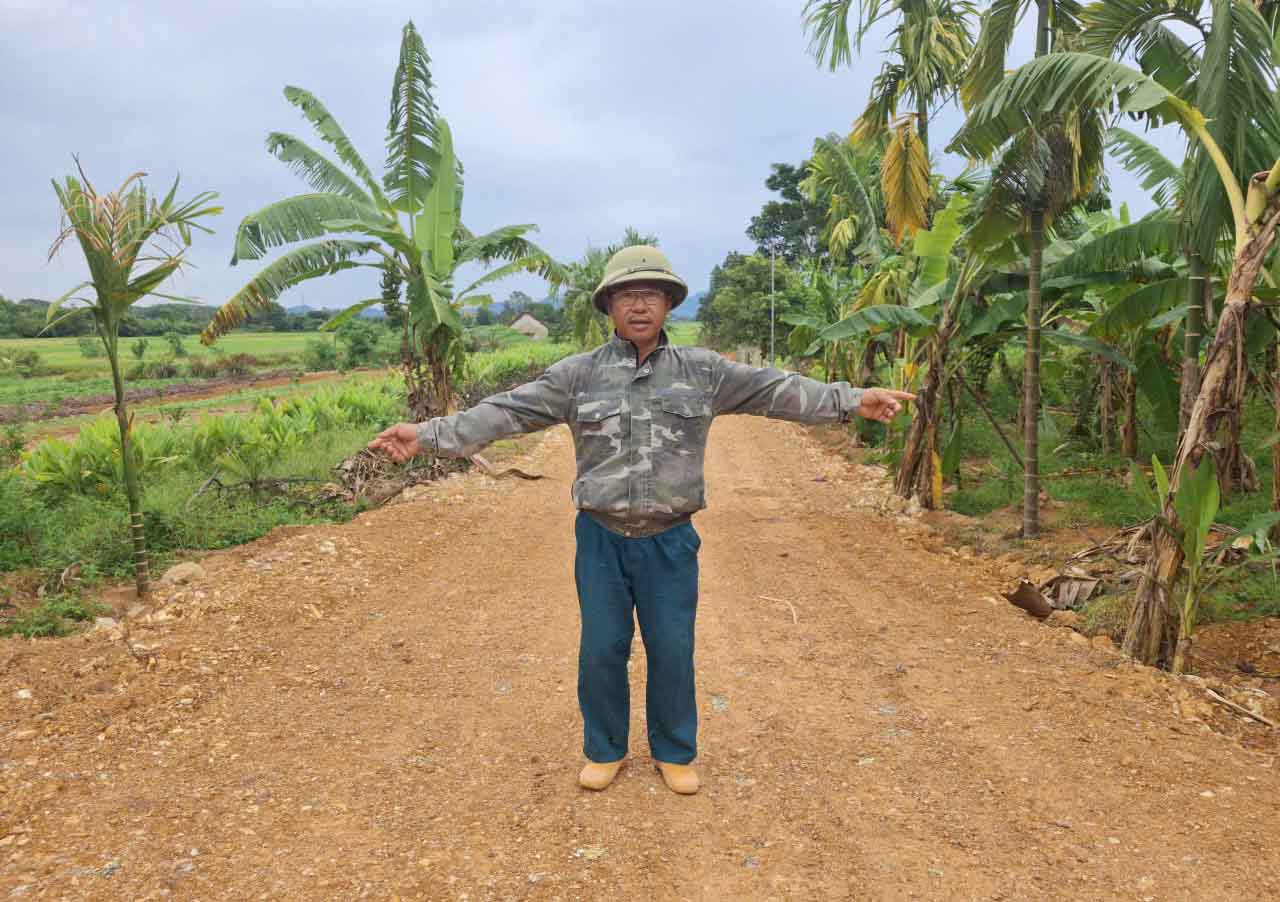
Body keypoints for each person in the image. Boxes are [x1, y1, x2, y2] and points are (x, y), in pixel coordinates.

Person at [368, 246, 914, 795]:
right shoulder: (576, 376)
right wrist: (428, 435)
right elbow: (506, 410)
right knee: (602, 647)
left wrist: (850, 400)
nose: (638, 304)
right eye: (626, 294)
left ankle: (675, 751)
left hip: (670, 539)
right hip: (601, 537)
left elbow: (775, 389)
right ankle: (604, 750)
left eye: (650, 293)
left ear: (668, 304)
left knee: (672, 646)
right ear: (608, 305)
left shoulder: (703, 372)